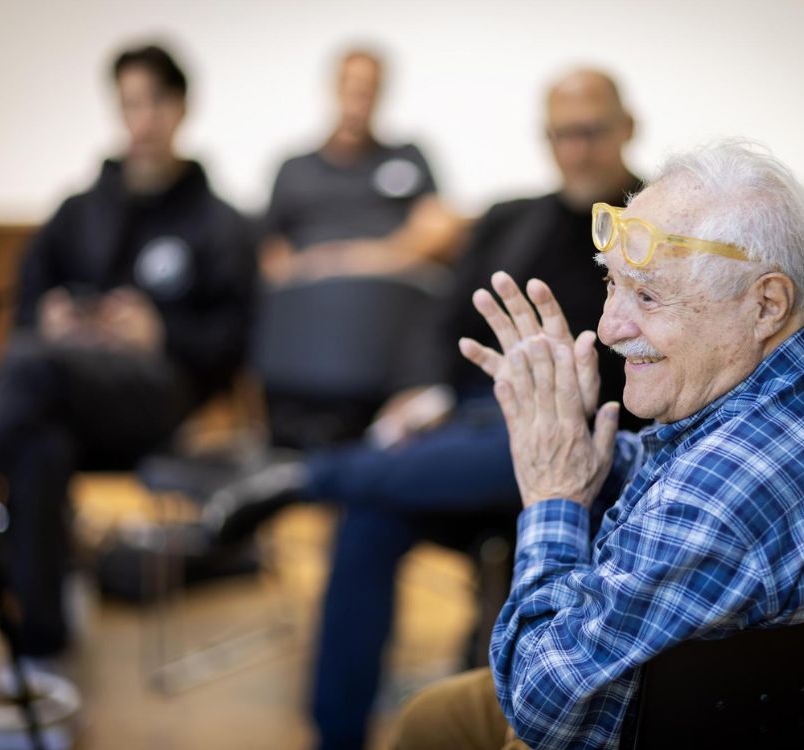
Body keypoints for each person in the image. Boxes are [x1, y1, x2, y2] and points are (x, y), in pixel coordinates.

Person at [391, 140, 804, 749]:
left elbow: (537, 701)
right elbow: (677, 478)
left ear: (765, 303)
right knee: (437, 713)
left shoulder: (715, 501)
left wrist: (553, 495)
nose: (607, 328)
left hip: (656, 722)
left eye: (648, 296)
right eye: (613, 284)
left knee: (435, 722)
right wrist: (579, 450)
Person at [194, 70, 648, 749]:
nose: (575, 151)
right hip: (468, 429)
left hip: (585, 445)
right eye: (561, 134)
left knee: (502, 444)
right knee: (370, 516)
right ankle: (337, 737)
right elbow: (443, 320)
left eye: (590, 132)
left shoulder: (654, 229)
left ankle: (306, 477)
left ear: (626, 128)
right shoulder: (508, 219)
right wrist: (421, 392)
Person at [0, 44, 257, 668]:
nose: (142, 120)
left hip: (159, 401)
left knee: (29, 368)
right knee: (38, 443)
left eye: (155, 102)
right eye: (130, 104)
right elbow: (28, 303)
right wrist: (54, 314)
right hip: (66, 400)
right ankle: (44, 643)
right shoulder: (81, 210)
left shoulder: (219, 222)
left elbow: (231, 345)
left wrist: (158, 332)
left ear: (180, 108)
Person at [262, 47, 463, 283]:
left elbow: (440, 228)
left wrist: (371, 259)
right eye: (351, 87)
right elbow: (269, 253)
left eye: (368, 89)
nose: (358, 99)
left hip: (391, 290)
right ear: (335, 88)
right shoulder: (294, 169)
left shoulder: (409, 158)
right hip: (312, 294)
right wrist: (315, 266)